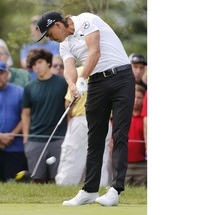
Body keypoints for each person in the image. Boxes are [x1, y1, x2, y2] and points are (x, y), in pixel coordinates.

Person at [36, 11, 135, 206]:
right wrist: (73, 85)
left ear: (57, 24)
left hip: (122, 78)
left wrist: (82, 79)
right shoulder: (64, 45)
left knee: (120, 134)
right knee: (95, 137)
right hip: (97, 83)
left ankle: (115, 189)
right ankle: (90, 190)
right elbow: (69, 68)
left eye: (49, 33)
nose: (50, 38)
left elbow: (94, 51)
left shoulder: (86, 21)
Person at [55, 66, 112, 186]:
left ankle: (65, 186)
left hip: (81, 120)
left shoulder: (78, 72)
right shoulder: (111, 72)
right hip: (104, 120)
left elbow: (68, 103)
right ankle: (99, 188)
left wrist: (70, 122)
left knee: (72, 156)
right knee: (100, 157)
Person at [21, 48, 68, 183]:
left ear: (48, 63)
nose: (37, 66)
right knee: (37, 179)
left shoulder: (62, 83)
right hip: (35, 139)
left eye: (40, 62)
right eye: (34, 64)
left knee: (58, 179)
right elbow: (25, 114)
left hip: (59, 137)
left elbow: (69, 111)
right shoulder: (29, 87)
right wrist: (26, 137)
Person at [0, 60, 28, 182]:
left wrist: (11, 136)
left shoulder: (19, 91)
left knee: (13, 183)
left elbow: (25, 116)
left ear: (7, 74)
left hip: (15, 147)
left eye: (1, 73)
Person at [125, 84, 147, 186]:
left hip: (142, 165)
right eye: (134, 97)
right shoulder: (122, 117)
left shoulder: (145, 119)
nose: (136, 100)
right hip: (124, 164)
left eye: (139, 98)